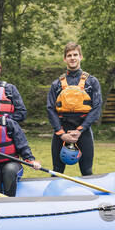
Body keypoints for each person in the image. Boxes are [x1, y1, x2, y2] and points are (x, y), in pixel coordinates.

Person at [46, 42, 102, 176]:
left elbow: (97, 108)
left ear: (81, 57)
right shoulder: (56, 84)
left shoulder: (92, 82)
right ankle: (52, 197)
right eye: (69, 55)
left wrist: (80, 130)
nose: (72, 58)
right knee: (57, 171)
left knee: (87, 171)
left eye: (75, 55)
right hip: (61, 131)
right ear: (65, 59)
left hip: (83, 131)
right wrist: (61, 133)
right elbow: (50, 109)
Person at [0, 94, 40, 197]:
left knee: (9, 169)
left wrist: (30, 160)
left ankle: (9, 201)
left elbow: (22, 145)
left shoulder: (10, 124)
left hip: (12, 164)